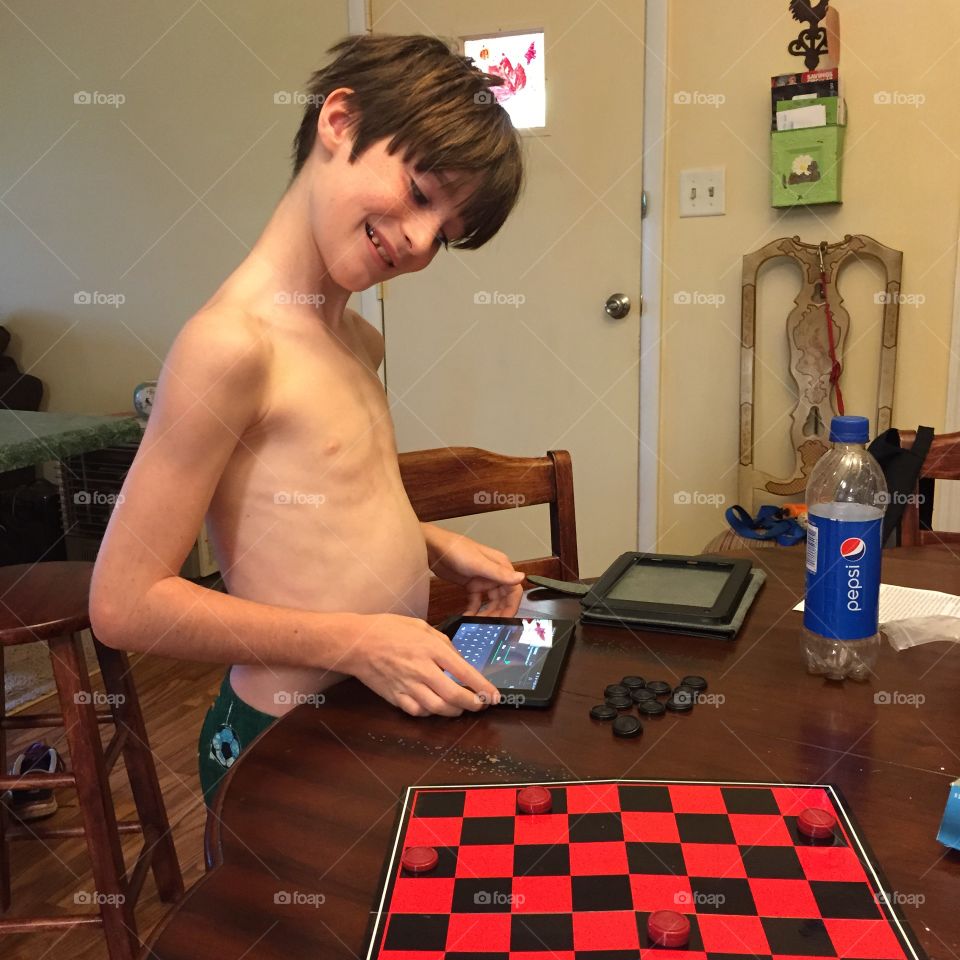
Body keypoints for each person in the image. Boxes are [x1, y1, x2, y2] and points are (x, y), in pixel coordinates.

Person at [90, 34, 527, 806]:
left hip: (365, 712)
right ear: (340, 120)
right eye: (423, 193)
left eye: (446, 236)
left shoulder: (361, 340)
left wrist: (433, 544)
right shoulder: (230, 346)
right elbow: (125, 603)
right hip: (282, 741)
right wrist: (358, 640)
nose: (422, 243)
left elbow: (307, 519)